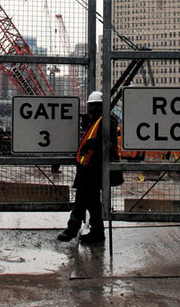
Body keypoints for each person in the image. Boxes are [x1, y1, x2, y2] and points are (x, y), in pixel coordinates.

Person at [57, 90, 117, 244]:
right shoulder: (98, 121)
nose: (91, 109)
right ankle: (97, 233)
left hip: (92, 169)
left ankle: (72, 229)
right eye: (91, 106)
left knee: (81, 201)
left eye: (94, 106)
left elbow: (106, 143)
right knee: (92, 203)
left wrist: (94, 144)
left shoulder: (105, 121)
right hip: (89, 169)